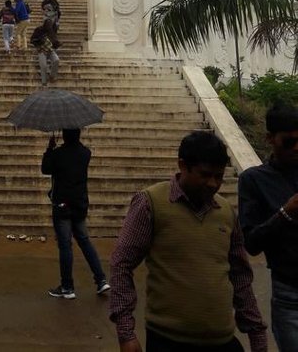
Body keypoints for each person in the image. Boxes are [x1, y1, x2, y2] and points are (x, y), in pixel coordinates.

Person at [110, 131, 268, 352]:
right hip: (168, 341)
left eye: (219, 176)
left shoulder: (225, 212)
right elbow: (121, 264)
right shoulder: (150, 203)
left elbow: (240, 277)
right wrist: (126, 333)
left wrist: (257, 337)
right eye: (204, 175)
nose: (213, 184)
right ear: (182, 165)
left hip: (222, 340)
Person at [238, 102, 298, 351]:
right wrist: (286, 212)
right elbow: (251, 243)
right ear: (270, 139)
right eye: (289, 141)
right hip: (290, 294)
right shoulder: (253, 180)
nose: (297, 148)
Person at [41, 129, 109, 300]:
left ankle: (67, 286)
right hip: (79, 204)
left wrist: (50, 149)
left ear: (64, 136)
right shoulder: (86, 153)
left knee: (65, 246)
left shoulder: (58, 154)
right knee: (84, 241)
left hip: (62, 204)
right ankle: (101, 279)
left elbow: (46, 169)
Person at [30, 19, 60, 86]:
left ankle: (52, 76)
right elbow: (32, 40)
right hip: (42, 50)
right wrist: (39, 41)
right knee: (43, 66)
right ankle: (44, 82)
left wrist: (58, 44)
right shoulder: (39, 30)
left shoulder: (51, 31)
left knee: (56, 60)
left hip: (50, 49)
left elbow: (54, 40)